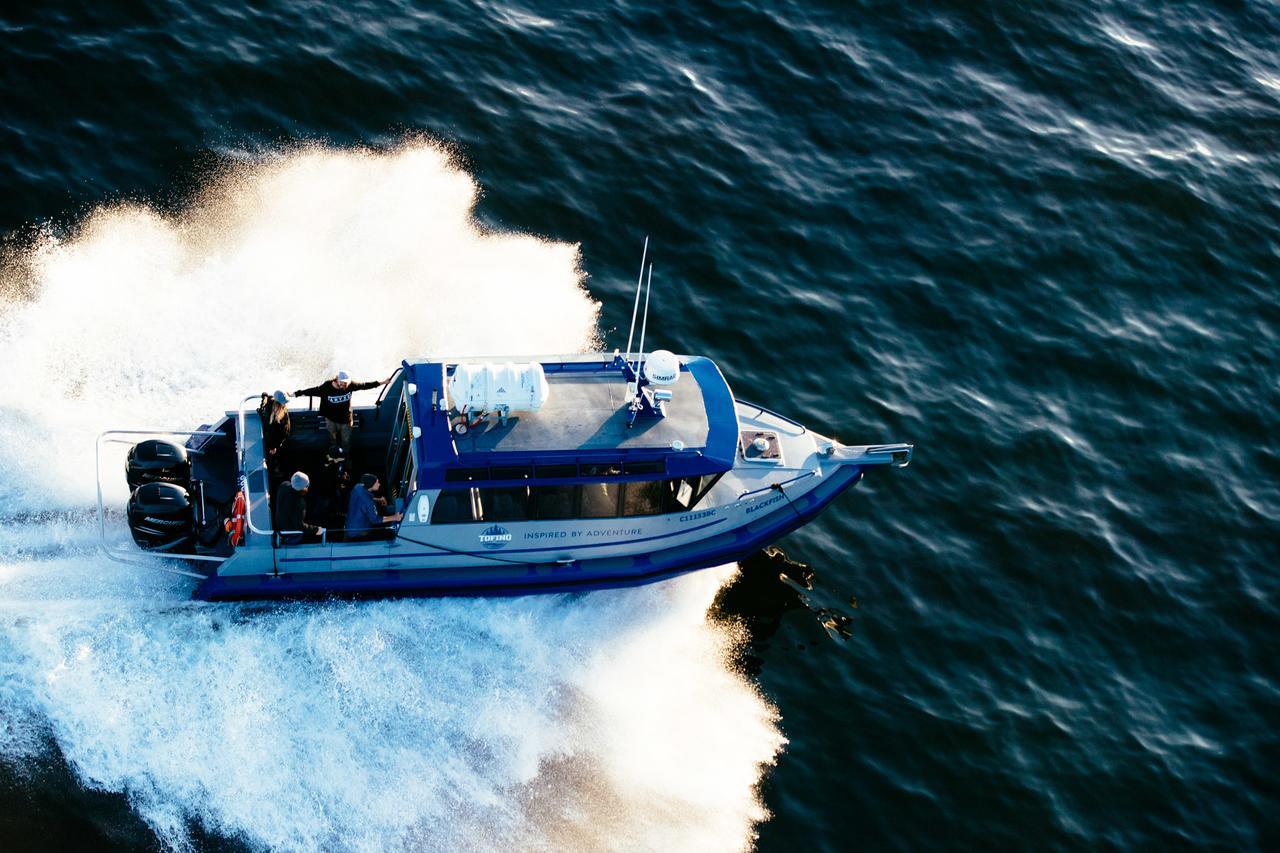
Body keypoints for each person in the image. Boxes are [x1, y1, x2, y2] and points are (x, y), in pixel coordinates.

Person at [294, 370, 392, 455]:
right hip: (331, 420)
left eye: (346, 383)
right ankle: (334, 455)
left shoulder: (350, 385)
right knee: (333, 440)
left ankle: (345, 457)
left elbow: (365, 385)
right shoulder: (326, 387)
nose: (343, 384)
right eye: (342, 382)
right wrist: (296, 393)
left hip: (346, 421)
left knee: (346, 442)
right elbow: (312, 391)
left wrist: (383, 382)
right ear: (336, 379)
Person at [345, 474, 403, 541]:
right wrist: (394, 517)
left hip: (349, 525)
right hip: (358, 532)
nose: (379, 484)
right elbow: (375, 520)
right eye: (377, 482)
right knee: (384, 532)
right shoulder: (368, 503)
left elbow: (362, 499)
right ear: (371, 485)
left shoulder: (357, 487)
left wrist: (379, 500)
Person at [275, 471, 324, 545]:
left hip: (280, 524)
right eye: (307, 485)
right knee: (300, 534)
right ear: (304, 488)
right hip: (289, 534)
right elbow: (299, 526)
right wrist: (316, 530)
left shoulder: (284, 485)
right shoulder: (299, 504)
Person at [257, 390, 291, 487]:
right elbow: (273, 432)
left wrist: (264, 396)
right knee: (274, 457)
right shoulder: (274, 415)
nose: (285, 404)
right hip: (274, 443)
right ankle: (274, 472)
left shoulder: (279, 409)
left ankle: (277, 469)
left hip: (278, 441)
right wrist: (274, 447)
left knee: (279, 455)